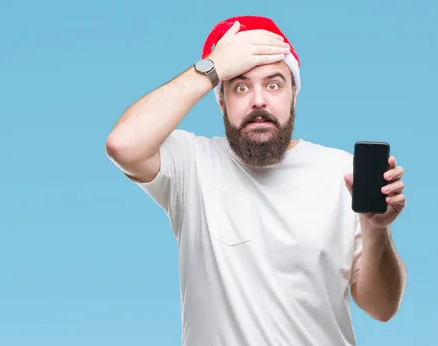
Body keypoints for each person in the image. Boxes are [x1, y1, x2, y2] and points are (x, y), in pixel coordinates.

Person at [105, 15, 407, 346]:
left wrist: (377, 230)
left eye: (274, 84)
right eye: (240, 86)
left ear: (294, 94)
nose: (259, 101)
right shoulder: (191, 163)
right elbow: (123, 144)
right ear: (221, 101)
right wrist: (212, 67)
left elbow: (382, 308)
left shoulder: (343, 173)